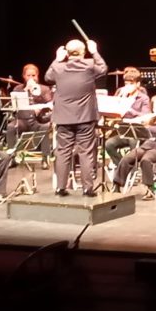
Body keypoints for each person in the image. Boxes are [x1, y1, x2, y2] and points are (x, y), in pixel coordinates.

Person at [45, 39, 107, 197]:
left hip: (64, 118)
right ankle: (87, 188)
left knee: (62, 152)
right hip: (85, 117)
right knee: (86, 152)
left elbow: (48, 77)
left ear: (67, 53)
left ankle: (60, 187)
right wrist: (95, 51)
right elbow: (103, 69)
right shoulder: (89, 65)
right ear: (83, 52)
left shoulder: (58, 67)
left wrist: (57, 59)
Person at [112, 96, 156, 199]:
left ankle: (150, 189)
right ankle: (117, 184)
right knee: (127, 158)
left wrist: (143, 126)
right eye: (154, 106)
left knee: (146, 160)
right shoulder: (152, 118)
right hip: (146, 146)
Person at [5, 63, 53, 169]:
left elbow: (51, 105)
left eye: (33, 75)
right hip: (22, 120)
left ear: (38, 76)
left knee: (45, 127)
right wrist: (26, 90)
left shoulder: (44, 89)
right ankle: (11, 158)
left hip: (38, 121)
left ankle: (45, 159)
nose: (31, 78)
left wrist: (40, 107)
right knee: (11, 127)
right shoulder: (18, 88)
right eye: (28, 75)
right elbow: (13, 106)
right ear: (24, 76)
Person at [104, 66, 150, 166]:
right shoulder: (122, 95)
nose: (128, 86)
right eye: (126, 84)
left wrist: (130, 109)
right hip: (124, 131)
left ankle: (133, 169)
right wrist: (119, 100)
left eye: (131, 84)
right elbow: (113, 111)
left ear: (137, 84)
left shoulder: (144, 98)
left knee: (133, 141)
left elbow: (146, 116)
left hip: (138, 133)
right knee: (109, 144)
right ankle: (123, 166)